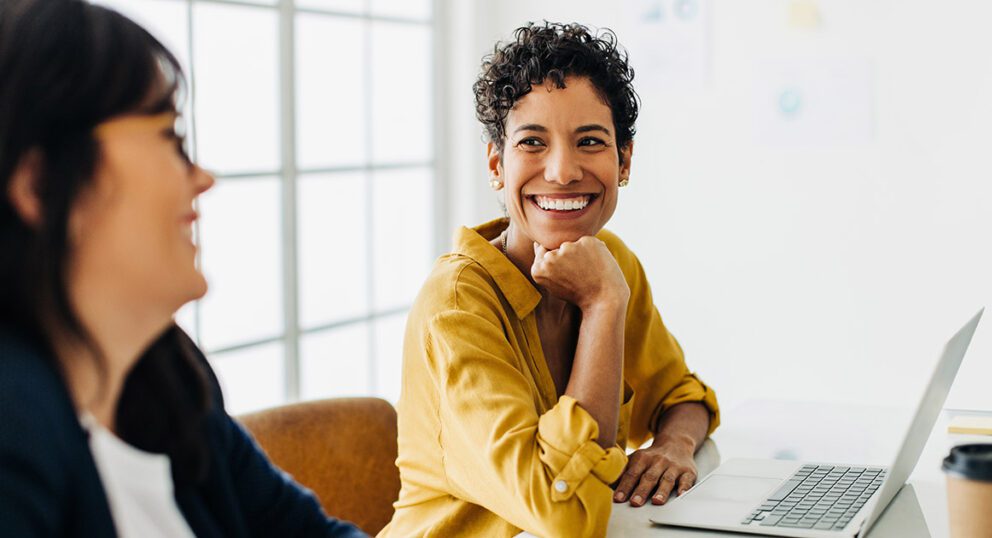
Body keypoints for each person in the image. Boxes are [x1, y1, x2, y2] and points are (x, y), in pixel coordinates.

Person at [0, 1, 366, 536]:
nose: (202, 178)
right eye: (170, 139)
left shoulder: (169, 380)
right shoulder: (13, 424)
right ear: (41, 184)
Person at [380, 22, 720, 537]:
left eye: (589, 141)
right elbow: (561, 510)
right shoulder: (456, 306)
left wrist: (672, 446)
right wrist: (604, 305)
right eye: (532, 142)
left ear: (623, 161)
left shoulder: (612, 261)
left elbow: (681, 395)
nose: (562, 171)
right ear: (497, 163)